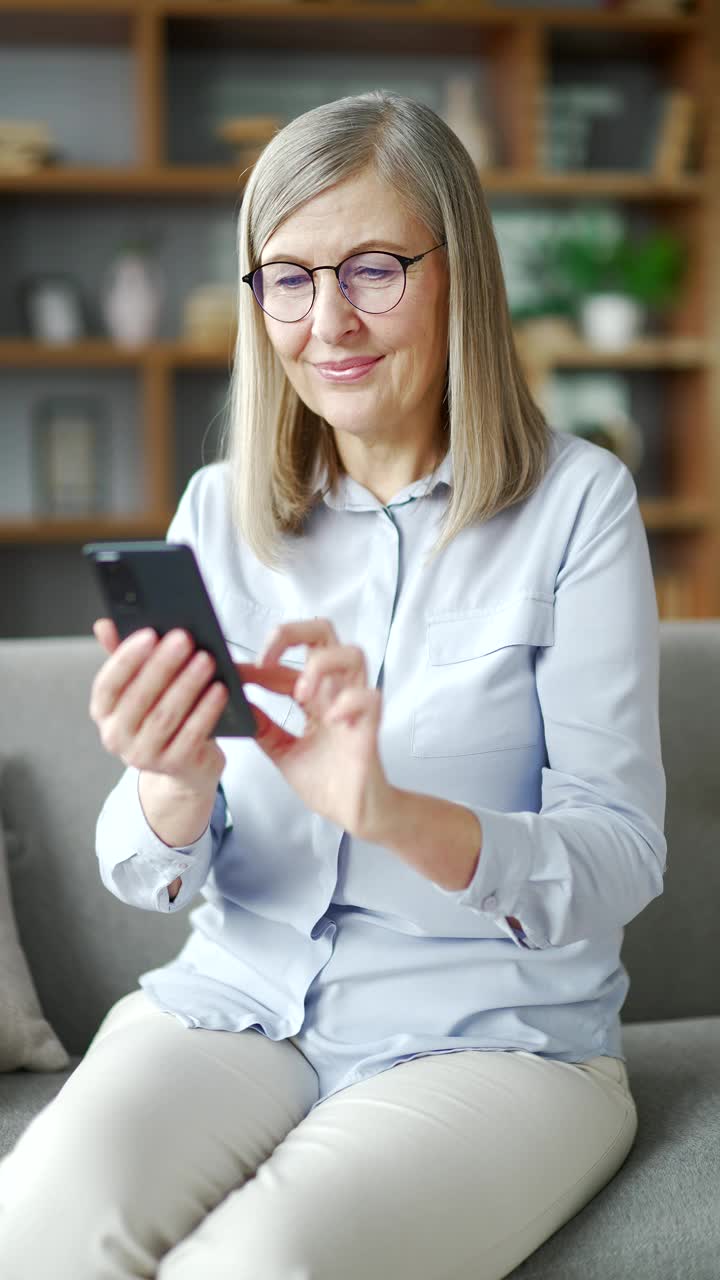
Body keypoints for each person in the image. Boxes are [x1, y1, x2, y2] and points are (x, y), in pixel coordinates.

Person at [0, 90, 666, 1280]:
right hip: (236, 999)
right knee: (33, 1228)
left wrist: (394, 813)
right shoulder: (219, 512)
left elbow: (622, 851)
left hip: (497, 1039)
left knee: (258, 1269)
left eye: (372, 267)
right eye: (289, 278)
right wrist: (169, 782)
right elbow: (151, 865)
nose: (329, 322)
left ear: (459, 270)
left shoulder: (579, 508)